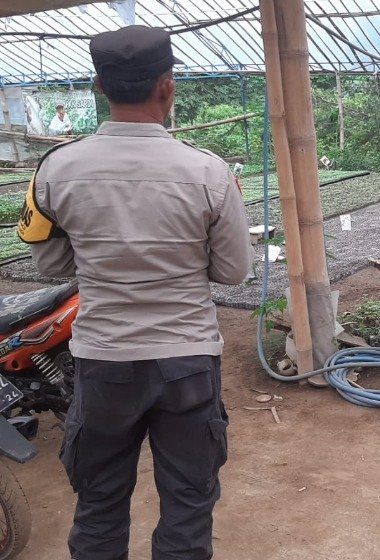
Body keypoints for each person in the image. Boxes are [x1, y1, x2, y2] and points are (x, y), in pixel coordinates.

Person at [17, 25, 253, 559]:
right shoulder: (208, 171)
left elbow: (52, 263)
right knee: (188, 505)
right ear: (167, 87)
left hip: (104, 361)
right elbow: (233, 271)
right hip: (187, 361)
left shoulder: (56, 169)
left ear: (100, 85)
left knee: (99, 504)